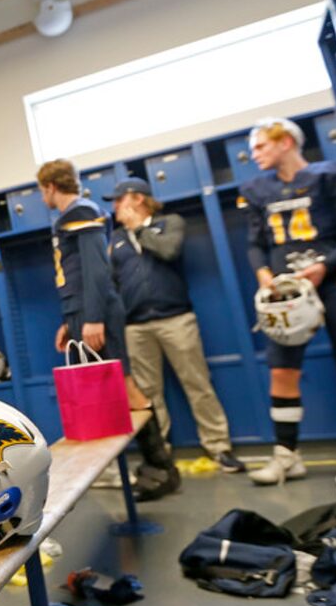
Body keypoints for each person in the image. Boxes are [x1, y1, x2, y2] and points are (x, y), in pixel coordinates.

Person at [238, 117, 336, 485]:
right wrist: (264, 275)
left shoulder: (330, 175)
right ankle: (287, 456)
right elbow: (255, 243)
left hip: (334, 283)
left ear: (285, 142)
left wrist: (324, 266)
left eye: (260, 146)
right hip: (285, 294)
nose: (254, 155)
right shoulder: (254, 189)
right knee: (282, 371)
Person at [36, 160, 180, 501]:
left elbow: (97, 271)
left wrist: (93, 318)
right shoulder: (71, 216)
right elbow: (75, 275)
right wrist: (68, 322)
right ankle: (138, 467)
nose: (42, 196)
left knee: (127, 386)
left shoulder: (81, 211)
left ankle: (162, 467)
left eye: (42, 189)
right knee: (107, 393)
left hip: (94, 313)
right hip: (81, 313)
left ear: (50, 187)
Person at [106, 179, 244, 472]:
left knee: (197, 383)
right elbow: (111, 282)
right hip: (136, 326)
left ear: (137, 199)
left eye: (118, 200)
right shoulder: (115, 237)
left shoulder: (170, 222)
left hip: (176, 318)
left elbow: (169, 251)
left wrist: (140, 229)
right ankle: (161, 456)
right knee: (148, 392)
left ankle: (219, 447)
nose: (114, 207)